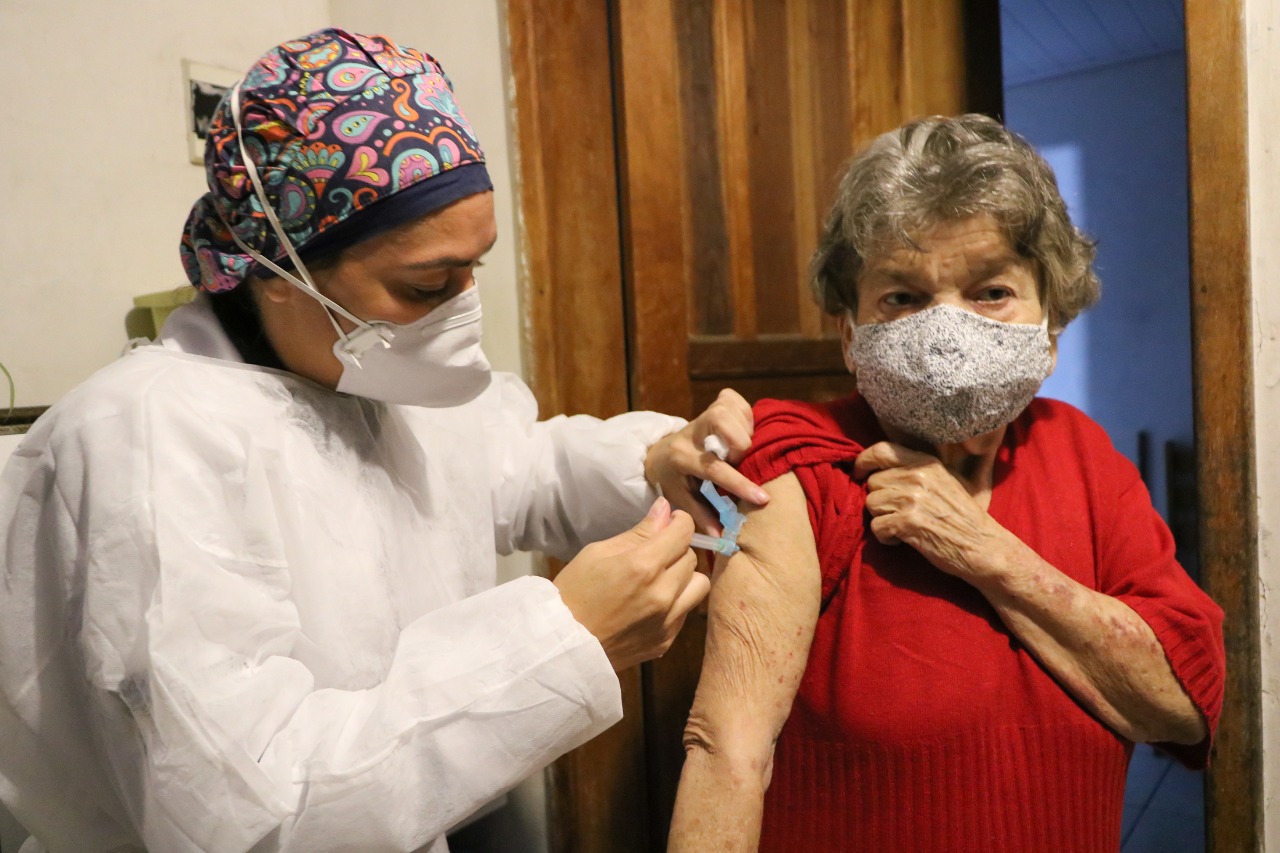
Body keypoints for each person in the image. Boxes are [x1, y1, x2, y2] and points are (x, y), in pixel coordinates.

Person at [0, 29, 765, 853]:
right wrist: (561, 639)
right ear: (274, 268)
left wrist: (650, 461)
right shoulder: (145, 440)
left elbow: (512, 468)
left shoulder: (374, 370)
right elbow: (252, 815)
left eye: (475, 269)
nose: (462, 309)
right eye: (428, 285)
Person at [667, 114, 1225, 852]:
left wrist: (983, 549)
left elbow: (1183, 704)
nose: (947, 331)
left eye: (990, 290)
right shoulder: (799, 469)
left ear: (1051, 329)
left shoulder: (1081, 454)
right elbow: (726, 750)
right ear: (849, 334)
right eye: (902, 297)